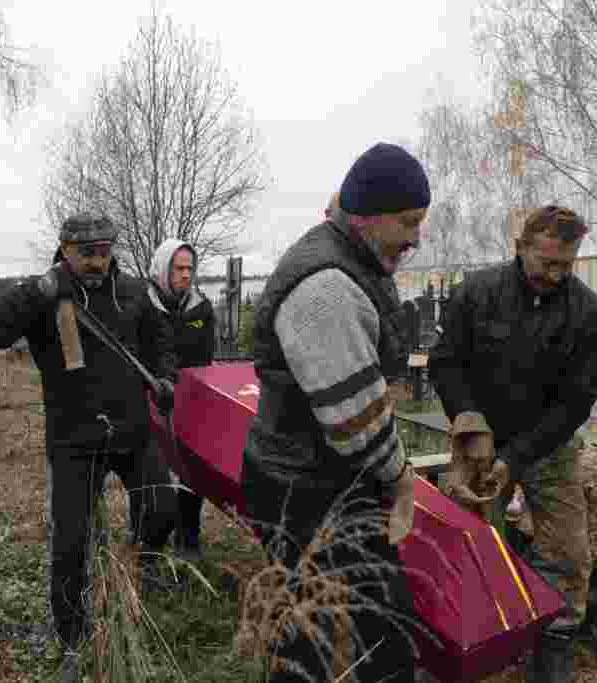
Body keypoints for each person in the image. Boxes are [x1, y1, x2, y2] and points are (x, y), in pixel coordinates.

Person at [241, 142, 429, 682]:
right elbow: (356, 422)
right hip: (302, 487)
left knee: (323, 625)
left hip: (313, 474)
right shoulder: (325, 290)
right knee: (352, 633)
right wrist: (400, 480)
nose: (416, 237)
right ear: (368, 217)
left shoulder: (351, 256)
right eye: (408, 221)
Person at [0, 214, 179, 683]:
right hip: (74, 440)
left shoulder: (134, 291)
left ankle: (134, 570)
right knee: (71, 543)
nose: (96, 260)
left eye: (104, 249)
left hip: (132, 432)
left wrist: (166, 378)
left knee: (164, 508)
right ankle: (71, 635)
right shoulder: (44, 296)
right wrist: (38, 291)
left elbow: (162, 343)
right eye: (86, 251)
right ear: (65, 249)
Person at [428, 205, 597, 683]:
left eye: (565, 265)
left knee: (568, 554)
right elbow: (445, 363)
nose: (555, 274)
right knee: (464, 542)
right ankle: (456, 646)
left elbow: (577, 401)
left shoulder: (587, 312)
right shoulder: (477, 294)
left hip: (549, 444)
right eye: (546, 262)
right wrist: (469, 425)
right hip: (478, 439)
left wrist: (517, 457)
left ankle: (552, 649)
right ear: (521, 247)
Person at [141, 238, 216, 561]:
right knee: (152, 472)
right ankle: (147, 540)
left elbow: (207, 357)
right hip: (150, 396)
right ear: (163, 268)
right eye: (178, 268)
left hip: (190, 397)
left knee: (191, 470)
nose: (186, 275)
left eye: (190, 268)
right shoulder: (143, 305)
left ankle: (188, 538)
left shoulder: (201, 308)